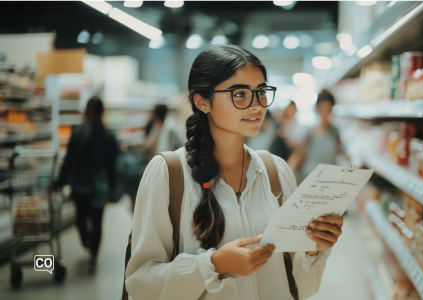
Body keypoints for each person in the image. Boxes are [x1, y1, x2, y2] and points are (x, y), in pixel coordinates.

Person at [125, 45, 343, 300]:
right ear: (202, 101)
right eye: (240, 93)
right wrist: (213, 265)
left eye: (261, 92)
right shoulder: (168, 173)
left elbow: (300, 289)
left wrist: (313, 250)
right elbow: (140, 283)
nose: (257, 106)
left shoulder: (276, 173)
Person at [53, 96, 118, 267]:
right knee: (97, 222)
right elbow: (112, 166)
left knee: (80, 219)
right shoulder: (109, 135)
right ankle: (94, 256)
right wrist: (112, 188)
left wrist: (59, 182)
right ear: (102, 111)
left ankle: (86, 241)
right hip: (100, 186)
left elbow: (69, 161)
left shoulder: (78, 132)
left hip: (80, 184)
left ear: (86, 110)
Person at [288, 90, 349, 182]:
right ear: (317, 108)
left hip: (329, 180)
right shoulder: (309, 132)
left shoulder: (335, 132)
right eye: (322, 108)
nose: (325, 113)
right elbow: (297, 155)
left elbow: (342, 153)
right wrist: (286, 175)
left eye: (328, 109)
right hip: (308, 180)